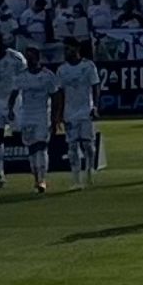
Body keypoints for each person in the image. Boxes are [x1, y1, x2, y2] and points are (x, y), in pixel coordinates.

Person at [7, 46, 59, 194]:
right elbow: (14, 93)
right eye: (27, 58)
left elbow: (55, 97)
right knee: (31, 149)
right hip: (26, 115)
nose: (29, 61)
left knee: (41, 147)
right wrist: (10, 110)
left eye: (31, 57)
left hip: (42, 114)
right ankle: (36, 178)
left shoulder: (47, 76)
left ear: (37, 58)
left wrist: (55, 118)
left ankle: (42, 179)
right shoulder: (21, 76)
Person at [0, 34, 27, 188]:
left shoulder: (15, 58)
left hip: (15, 100)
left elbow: (22, 79)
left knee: (20, 136)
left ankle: (37, 163)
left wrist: (12, 101)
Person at [56, 39, 100, 189]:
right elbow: (61, 92)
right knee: (72, 146)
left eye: (68, 49)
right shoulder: (62, 70)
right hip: (70, 112)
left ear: (76, 49)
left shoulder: (88, 66)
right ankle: (76, 179)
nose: (66, 52)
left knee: (88, 144)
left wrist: (95, 106)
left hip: (85, 109)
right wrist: (59, 113)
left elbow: (95, 86)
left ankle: (90, 169)